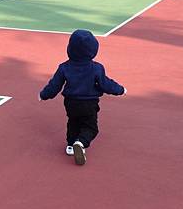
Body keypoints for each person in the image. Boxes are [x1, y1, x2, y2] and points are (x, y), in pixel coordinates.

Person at [39, 29, 126, 165]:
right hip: (89, 103)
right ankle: (81, 142)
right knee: (91, 127)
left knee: (73, 122)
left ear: (70, 48)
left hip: (70, 103)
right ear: (93, 50)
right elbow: (106, 84)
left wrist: (44, 95)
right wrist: (120, 90)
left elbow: (54, 85)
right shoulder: (97, 68)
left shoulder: (64, 67)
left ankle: (70, 145)